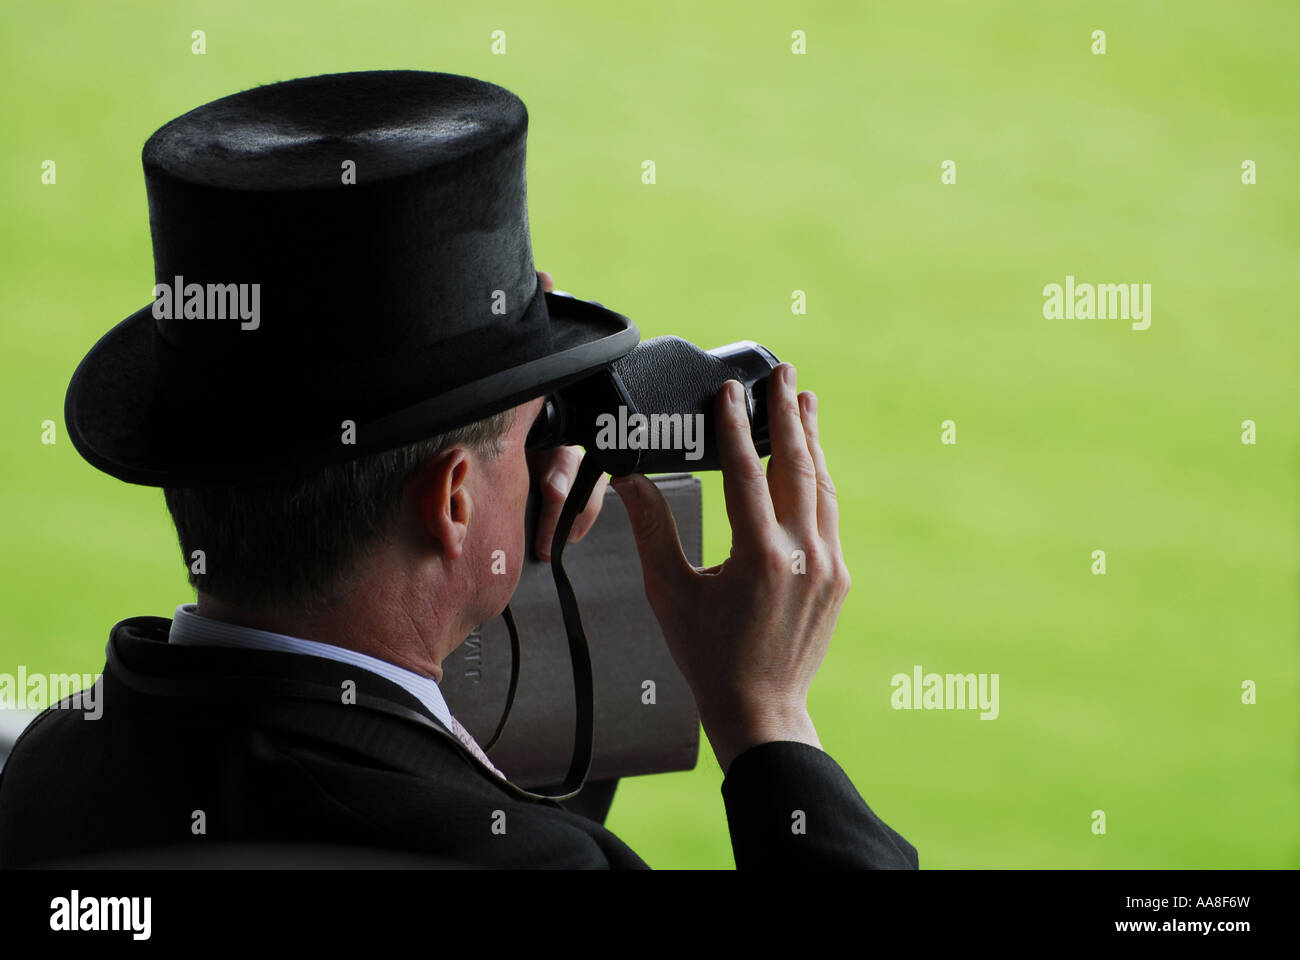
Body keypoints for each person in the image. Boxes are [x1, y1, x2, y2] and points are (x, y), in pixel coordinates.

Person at [0, 70, 917, 869]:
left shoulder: (44, 776)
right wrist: (769, 719)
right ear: (450, 497)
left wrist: (467, 575)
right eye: (532, 432)